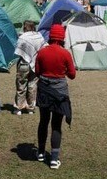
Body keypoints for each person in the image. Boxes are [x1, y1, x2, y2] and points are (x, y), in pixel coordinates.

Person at [35, 24, 76, 170]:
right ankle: (53, 159)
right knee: (56, 125)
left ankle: (40, 153)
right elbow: (72, 75)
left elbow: (37, 71)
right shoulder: (65, 54)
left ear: (51, 36)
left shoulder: (41, 52)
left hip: (44, 90)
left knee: (43, 121)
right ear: (62, 38)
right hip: (60, 92)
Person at [13, 20, 47, 115]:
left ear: (25, 27)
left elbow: (18, 49)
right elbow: (44, 48)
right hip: (35, 64)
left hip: (23, 64)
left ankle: (18, 108)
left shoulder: (23, 37)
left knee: (21, 85)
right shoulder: (39, 36)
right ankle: (30, 108)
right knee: (32, 86)